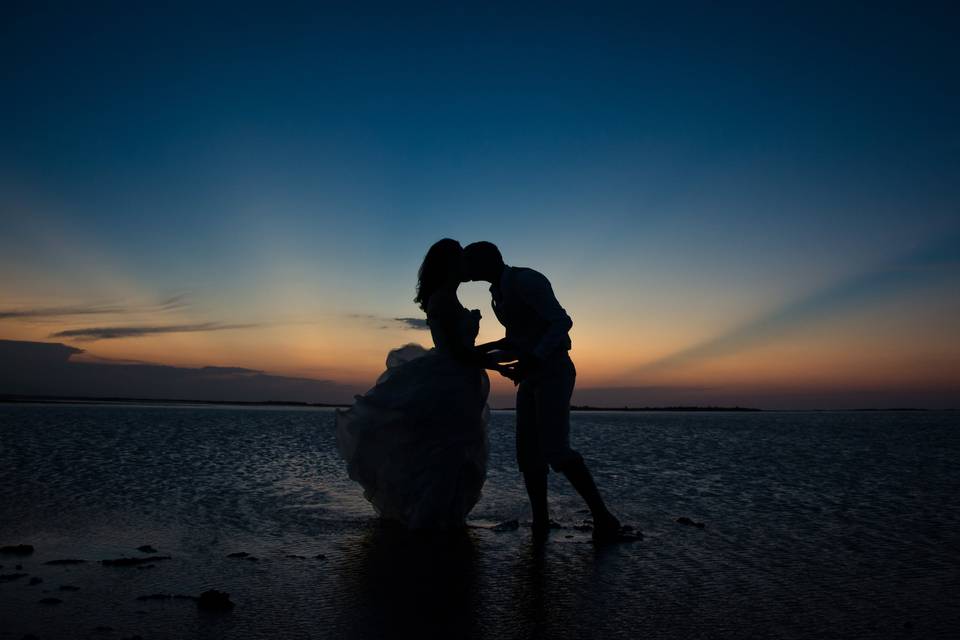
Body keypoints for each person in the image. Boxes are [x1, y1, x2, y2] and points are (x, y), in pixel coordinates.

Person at [462, 241, 631, 543]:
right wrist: (478, 351)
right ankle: (541, 521)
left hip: (553, 371)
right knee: (528, 455)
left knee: (555, 449)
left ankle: (604, 518)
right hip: (530, 376)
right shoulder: (496, 293)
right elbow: (515, 339)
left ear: (484, 262)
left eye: (469, 263)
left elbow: (561, 322)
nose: (465, 270)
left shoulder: (526, 279)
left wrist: (534, 358)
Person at [336, 238, 509, 529]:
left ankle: (445, 518)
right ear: (449, 265)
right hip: (447, 383)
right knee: (444, 451)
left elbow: (464, 350)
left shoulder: (449, 296)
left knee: (458, 453)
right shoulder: (441, 298)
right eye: (460, 258)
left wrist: (499, 352)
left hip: (461, 381)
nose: (465, 264)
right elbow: (457, 351)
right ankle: (432, 522)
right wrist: (497, 364)